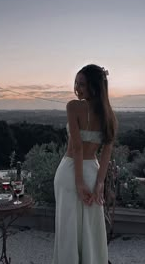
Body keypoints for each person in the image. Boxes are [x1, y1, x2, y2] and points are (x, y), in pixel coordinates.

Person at [52, 64, 117, 264]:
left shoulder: (73, 106)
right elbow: (106, 154)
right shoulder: (110, 116)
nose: (76, 88)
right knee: (90, 226)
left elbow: (77, 148)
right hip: (92, 171)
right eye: (76, 83)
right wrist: (99, 184)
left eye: (82, 84)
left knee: (68, 226)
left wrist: (79, 183)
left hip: (70, 170)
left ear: (95, 87)